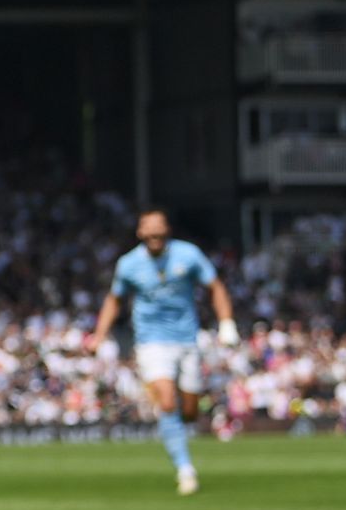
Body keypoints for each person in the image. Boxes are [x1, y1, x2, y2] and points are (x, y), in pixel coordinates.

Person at [85, 209, 238, 495]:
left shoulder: (188, 255)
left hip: (187, 339)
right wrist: (100, 335)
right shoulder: (129, 264)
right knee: (167, 402)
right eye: (149, 234)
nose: (155, 239)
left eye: (159, 233)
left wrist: (227, 322)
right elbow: (114, 299)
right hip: (150, 342)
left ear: (167, 231)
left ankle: (179, 433)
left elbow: (215, 287)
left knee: (190, 411)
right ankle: (185, 469)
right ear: (140, 233)